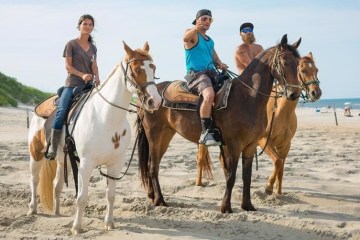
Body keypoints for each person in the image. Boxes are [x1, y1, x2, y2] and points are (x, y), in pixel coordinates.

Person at [46, 14, 100, 160]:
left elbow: (94, 65)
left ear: (92, 27)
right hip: (73, 84)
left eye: (90, 24)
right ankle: (52, 145)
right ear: (79, 26)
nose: (87, 26)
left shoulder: (93, 48)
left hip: (88, 86)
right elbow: (68, 66)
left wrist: (98, 78)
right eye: (85, 24)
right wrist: (82, 75)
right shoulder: (71, 44)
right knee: (61, 112)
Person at [183, 9, 228, 146]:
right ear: (197, 20)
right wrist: (195, 28)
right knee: (209, 95)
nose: (207, 21)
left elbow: (213, 56)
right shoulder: (192, 35)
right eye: (204, 19)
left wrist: (220, 64)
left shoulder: (210, 40)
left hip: (212, 72)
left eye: (210, 19)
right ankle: (205, 132)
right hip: (197, 74)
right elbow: (185, 38)